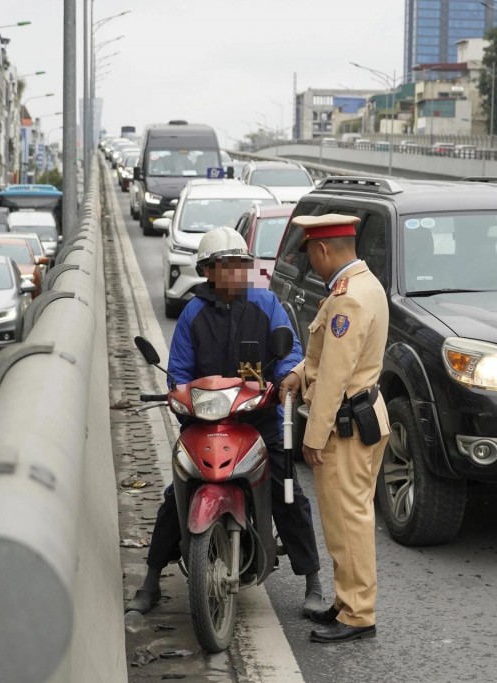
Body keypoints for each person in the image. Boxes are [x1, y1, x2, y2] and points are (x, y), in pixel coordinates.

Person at [125, 227, 325, 617]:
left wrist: (285, 379)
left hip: (260, 417)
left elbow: (290, 352)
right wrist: (177, 394)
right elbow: (178, 371)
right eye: (226, 266)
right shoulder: (192, 314)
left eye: (240, 265)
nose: (235, 273)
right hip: (206, 420)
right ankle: (150, 579)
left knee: (289, 492)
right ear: (208, 271)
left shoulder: (267, 305)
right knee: (176, 493)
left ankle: (313, 580)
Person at [278, 214, 390, 645]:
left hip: (344, 425)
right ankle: (348, 601)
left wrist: (312, 436)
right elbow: (329, 359)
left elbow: (334, 378)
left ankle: (358, 614)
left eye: (310, 252)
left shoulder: (347, 300)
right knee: (347, 520)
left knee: (348, 523)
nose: (310, 260)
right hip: (361, 415)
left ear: (323, 250)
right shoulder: (365, 285)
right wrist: (299, 372)